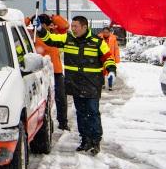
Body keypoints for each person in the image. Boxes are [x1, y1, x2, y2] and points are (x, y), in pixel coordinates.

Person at [35, 15, 117, 154]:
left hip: (92, 83)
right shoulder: (68, 39)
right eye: (72, 26)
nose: (73, 29)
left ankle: (95, 141)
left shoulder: (97, 42)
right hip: (76, 84)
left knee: (93, 112)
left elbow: (108, 58)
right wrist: (40, 30)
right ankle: (85, 140)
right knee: (81, 113)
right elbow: (50, 39)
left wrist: (111, 71)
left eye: (76, 26)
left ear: (84, 27)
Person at [31, 14, 69, 130]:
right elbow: (20, 22)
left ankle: (63, 122)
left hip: (56, 72)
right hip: (39, 74)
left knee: (61, 98)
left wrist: (54, 18)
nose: (40, 27)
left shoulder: (55, 35)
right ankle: (46, 123)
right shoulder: (31, 36)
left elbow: (65, 26)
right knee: (43, 101)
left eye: (43, 25)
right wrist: (30, 18)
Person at [100, 26, 121, 90]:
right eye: (104, 32)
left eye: (107, 32)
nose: (105, 33)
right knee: (102, 72)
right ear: (102, 32)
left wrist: (117, 59)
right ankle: (102, 84)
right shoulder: (99, 38)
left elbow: (116, 49)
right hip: (101, 57)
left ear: (110, 33)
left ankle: (110, 85)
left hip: (110, 57)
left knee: (111, 71)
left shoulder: (113, 39)